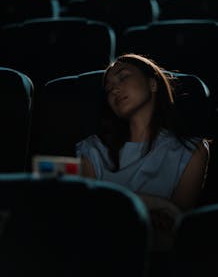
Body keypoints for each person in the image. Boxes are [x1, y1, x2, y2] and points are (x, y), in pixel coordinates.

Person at [76, 53, 210, 250]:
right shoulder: (91, 150)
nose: (113, 89)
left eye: (123, 77)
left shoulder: (192, 151)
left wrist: (120, 210)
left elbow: (176, 223)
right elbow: (90, 217)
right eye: (108, 87)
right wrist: (152, 210)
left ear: (153, 84)